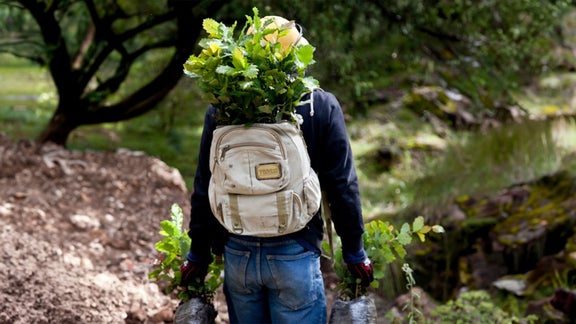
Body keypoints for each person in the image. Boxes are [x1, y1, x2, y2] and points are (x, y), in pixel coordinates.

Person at [180, 15, 374, 324]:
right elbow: (342, 185)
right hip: (295, 249)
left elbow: (205, 184)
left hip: (238, 252)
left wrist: (198, 255)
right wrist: (355, 252)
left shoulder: (223, 109)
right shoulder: (320, 105)